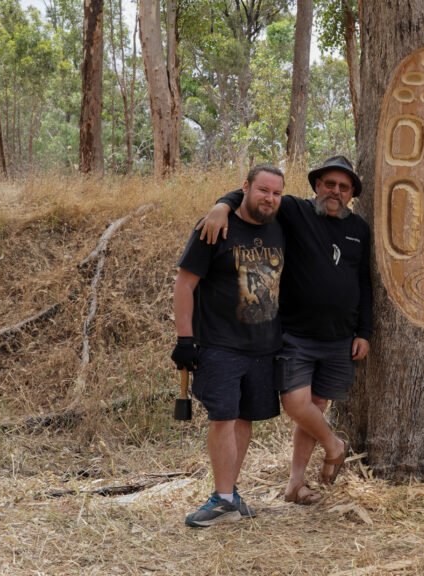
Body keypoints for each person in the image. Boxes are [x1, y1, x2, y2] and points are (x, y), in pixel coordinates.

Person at [197, 155, 372, 505]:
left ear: (352, 193)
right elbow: (257, 194)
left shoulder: (359, 229)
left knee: (316, 407)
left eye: (344, 187)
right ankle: (334, 445)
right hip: (295, 334)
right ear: (317, 185)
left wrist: (364, 331)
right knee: (296, 403)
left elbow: (364, 282)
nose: (335, 191)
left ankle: (295, 484)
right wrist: (221, 206)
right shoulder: (296, 211)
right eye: (329, 184)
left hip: (340, 337)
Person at [171, 164, 286, 527]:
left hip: (264, 346)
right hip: (219, 344)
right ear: (245, 188)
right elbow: (184, 284)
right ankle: (221, 499)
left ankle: (229, 495)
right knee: (223, 416)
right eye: (263, 190)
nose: (269, 198)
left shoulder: (281, 225)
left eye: (276, 193)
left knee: (244, 417)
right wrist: (185, 339)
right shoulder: (214, 227)